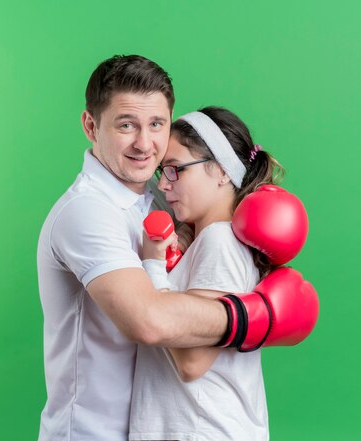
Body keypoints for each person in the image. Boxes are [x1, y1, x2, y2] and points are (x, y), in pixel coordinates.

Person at [37, 54, 318, 441]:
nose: (144, 143)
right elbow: (151, 321)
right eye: (125, 125)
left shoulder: (164, 204)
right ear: (91, 125)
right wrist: (255, 317)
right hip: (93, 432)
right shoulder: (88, 211)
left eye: (156, 124)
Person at [129, 107, 282, 441]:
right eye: (161, 173)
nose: (165, 186)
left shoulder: (220, 240)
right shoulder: (209, 240)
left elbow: (192, 362)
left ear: (222, 171)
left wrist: (153, 265)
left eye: (175, 170)